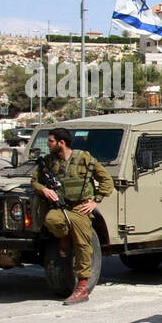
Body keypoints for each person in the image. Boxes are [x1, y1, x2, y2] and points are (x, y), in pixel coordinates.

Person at [32, 127, 112, 305]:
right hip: (61, 207)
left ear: (61, 143)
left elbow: (107, 180)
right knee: (51, 220)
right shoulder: (48, 161)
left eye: (50, 141)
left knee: (84, 246)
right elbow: (34, 181)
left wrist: (96, 200)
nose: (48, 144)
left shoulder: (84, 159)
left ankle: (82, 287)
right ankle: (65, 237)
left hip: (81, 207)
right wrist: (44, 190)